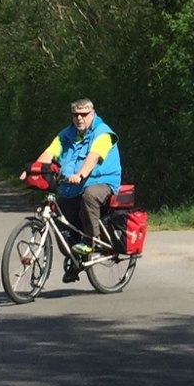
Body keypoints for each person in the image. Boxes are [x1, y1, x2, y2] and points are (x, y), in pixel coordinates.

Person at [33, 97, 120, 283]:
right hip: (72, 185)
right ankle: (75, 258)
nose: (79, 118)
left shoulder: (103, 133)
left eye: (83, 114)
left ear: (92, 113)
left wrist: (80, 174)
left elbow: (93, 157)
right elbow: (49, 153)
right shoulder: (66, 135)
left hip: (101, 181)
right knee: (59, 209)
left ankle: (91, 241)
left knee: (90, 195)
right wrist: (33, 170)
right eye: (75, 114)